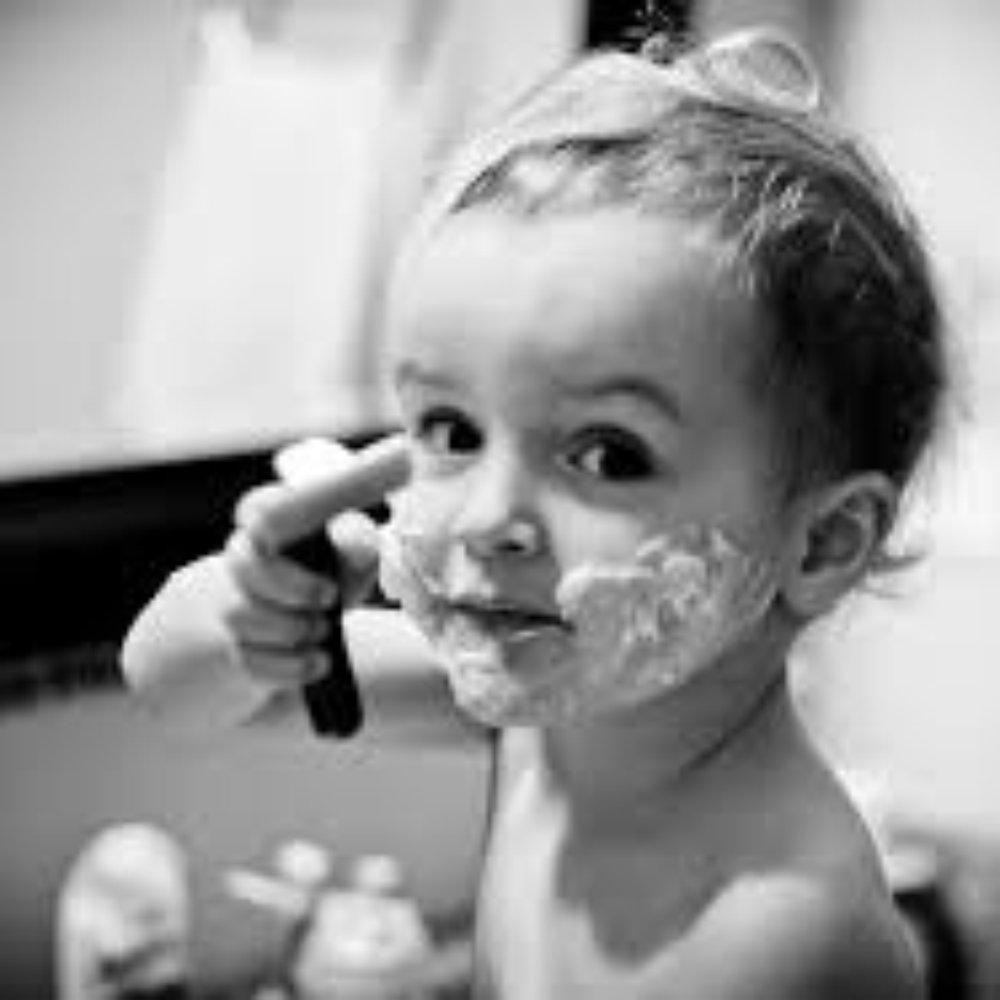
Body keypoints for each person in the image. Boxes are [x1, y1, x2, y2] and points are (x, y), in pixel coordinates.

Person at [122, 26, 948, 999]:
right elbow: (171, 686)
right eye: (453, 430)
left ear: (823, 542)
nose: (487, 518)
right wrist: (249, 615)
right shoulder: (551, 703)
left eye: (607, 454)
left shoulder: (784, 934)